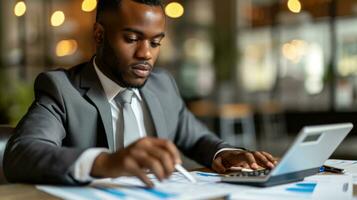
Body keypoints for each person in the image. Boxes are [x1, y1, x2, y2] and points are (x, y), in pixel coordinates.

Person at [3, 0, 277, 187]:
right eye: (132, 39)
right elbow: (21, 155)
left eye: (156, 42)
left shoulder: (162, 85)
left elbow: (198, 138)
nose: (146, 53)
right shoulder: (62, 90)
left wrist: (226, 154)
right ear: (99, 35)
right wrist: (106, 162)